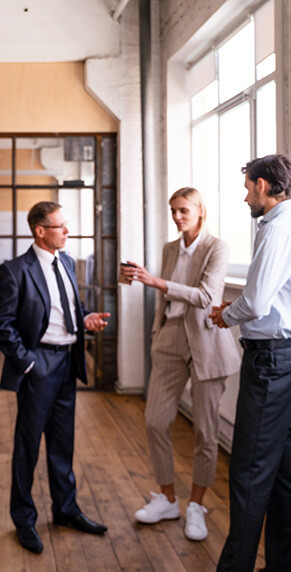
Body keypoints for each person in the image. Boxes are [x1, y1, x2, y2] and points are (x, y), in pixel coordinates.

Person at [0, 201, 110, 554]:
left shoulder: (68, 262)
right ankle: (24, 519)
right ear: (40, 231)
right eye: (60, 227)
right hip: (38, 365)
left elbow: (67, 308)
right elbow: (2, 324)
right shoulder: (15, 270)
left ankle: (66, 510)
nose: (67, 232)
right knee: (28, 447)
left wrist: (85, 318)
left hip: (68, 362)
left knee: (62, 443)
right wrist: (29, 363)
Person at [120, 187, 239, 541]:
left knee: (205, 431)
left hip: (206, 341)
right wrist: (138, 281)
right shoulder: (170, 248)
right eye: (173, 211)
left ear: (200, 211)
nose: (177, 217)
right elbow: (168, 295)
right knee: (155, 421)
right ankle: (168, 499)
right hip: (171, 337)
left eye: (184, 210)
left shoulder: (217, 247)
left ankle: (197, 506)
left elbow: (205, 297)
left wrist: (156, 281)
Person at [210, 154, 291, 572]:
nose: (245, 197)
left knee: (247, 473)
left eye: (247, 188)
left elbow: (258, 303)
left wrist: (227, 314)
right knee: (283, 476)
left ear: (262, 185)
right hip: (286, 358)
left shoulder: (278, 227)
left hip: (271, 363)